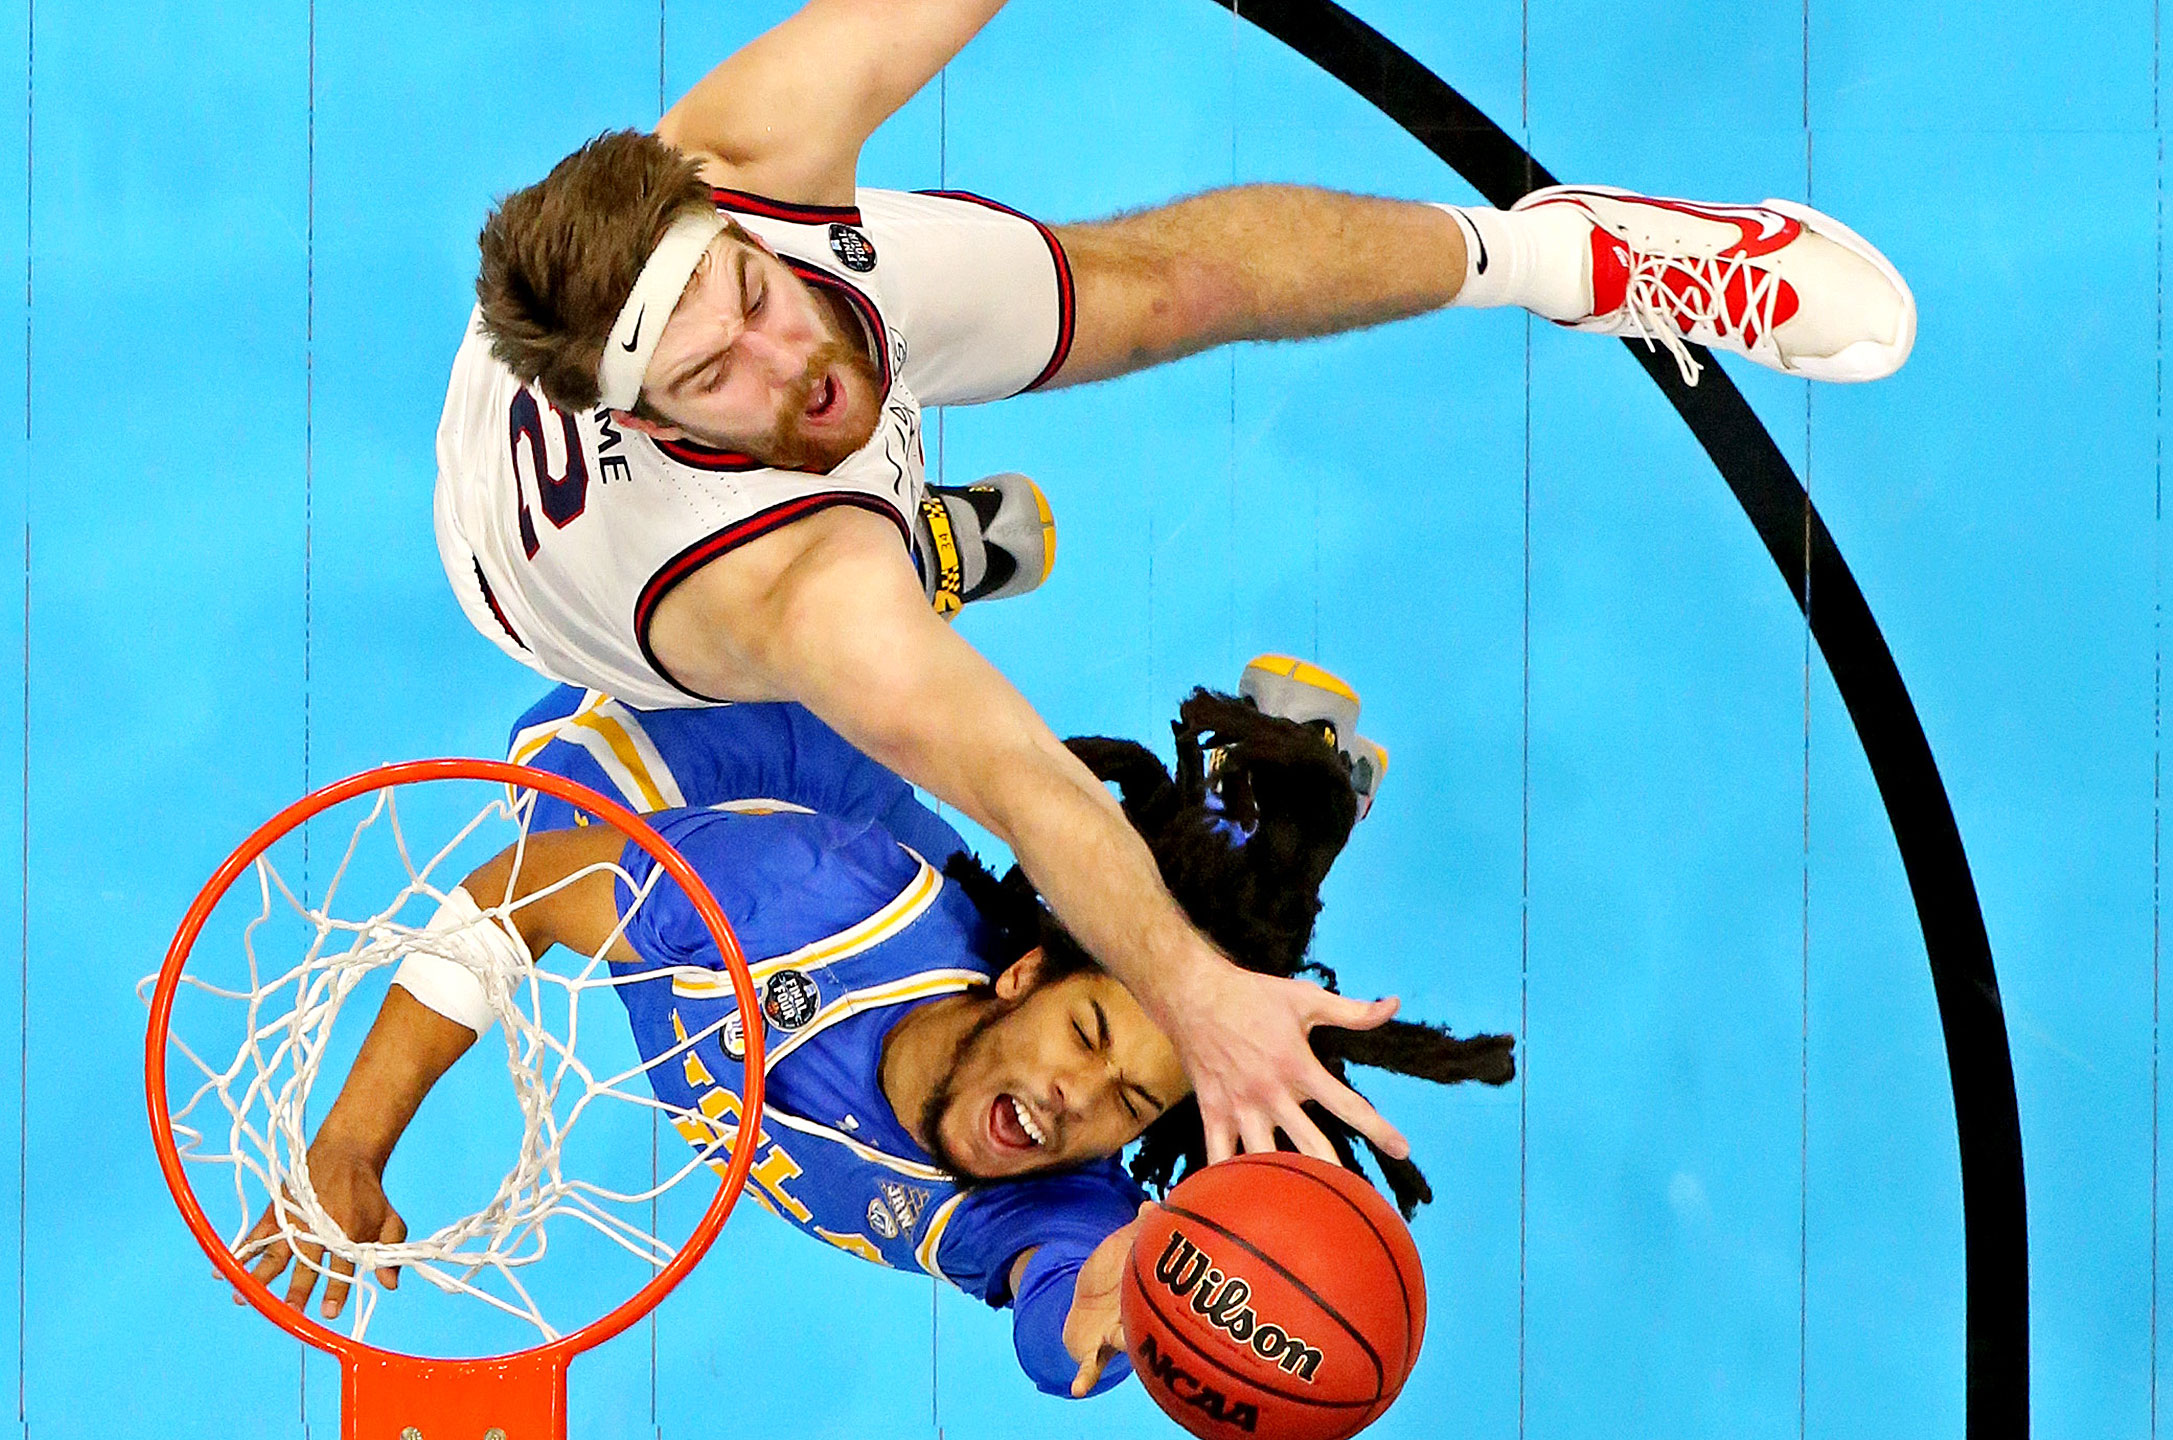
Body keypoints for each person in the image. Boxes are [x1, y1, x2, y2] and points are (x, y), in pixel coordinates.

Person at [435, 0, 1915, 1171]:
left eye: (756, 302)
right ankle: (928, 548)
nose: (788, 365)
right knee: (881, 614)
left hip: (754, 472)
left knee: (1160, 288)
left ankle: (1564, 257)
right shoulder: (793, 591)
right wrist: (1205, 1007)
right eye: (715, 377)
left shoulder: (744, 156)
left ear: (728, 222)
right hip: (583, 585)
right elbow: (1031, 792)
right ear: (644, 416)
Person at [243, 679, 1514, 1397]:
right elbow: (510, 892)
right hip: (717, 755)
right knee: (582, 740)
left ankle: (1297, 790)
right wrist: (353, 1142)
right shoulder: (790, 902)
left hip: (863, 831)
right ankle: (920, 552)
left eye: (1128, 1102)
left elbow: (1063, 1318)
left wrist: (1136, 1305)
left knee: (1206, 932)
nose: (1080, 1099)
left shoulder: (1048, 1204)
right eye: (1083, 1033)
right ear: (1019, 977)